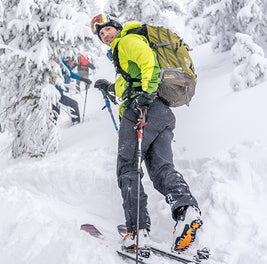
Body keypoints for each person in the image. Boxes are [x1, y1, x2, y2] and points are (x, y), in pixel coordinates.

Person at [90, 13, 203, 255]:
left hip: (141, 111)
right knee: (162, 169)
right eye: (101, 35)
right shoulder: (129, 45)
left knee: (128, 168)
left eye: (108, 30)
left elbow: (147, 63)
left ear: (117, 27)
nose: (106, 36)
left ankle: (137, 230)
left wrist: (145, 95)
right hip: (162, 113)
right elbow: (132, 80)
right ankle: (186, 211)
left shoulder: (127, 41)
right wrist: (111, 87)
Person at [52, 57, 91, 125]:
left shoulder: (62, 65)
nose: (73, 65)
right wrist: (84, 79)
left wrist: (83, 79)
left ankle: (52, 127)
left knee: (56, 110)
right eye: (72, 63)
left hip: (56, 91)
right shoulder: (63, 64)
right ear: (69, 62)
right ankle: (76, 123)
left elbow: (70, 74)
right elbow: (70, 74)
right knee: (73, 104)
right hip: (56, 91)